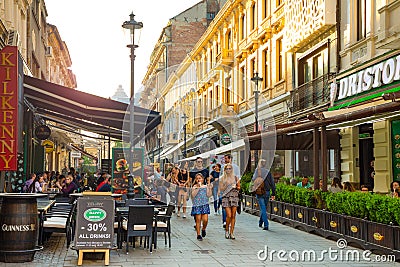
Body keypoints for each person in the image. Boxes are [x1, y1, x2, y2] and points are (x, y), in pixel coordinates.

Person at [252, 159, 276, 231]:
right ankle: (260, 222)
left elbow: (253, 180)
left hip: (259, 192)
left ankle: (266, 224)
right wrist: (273, 193)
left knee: (263, 208)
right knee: (264, 208)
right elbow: (272, 183)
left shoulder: (257, 171)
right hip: (267, 192)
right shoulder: (268, 172)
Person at [218, 163, 241, 240]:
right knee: (229, 215)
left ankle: (232, 232)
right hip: (226, 197)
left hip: (234, 196)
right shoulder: (222, 178)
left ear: (232, 169)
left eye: (229, 168)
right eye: (227, 169)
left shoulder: (235, 178)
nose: (228, 170)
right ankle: (227, 230)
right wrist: (227, 185)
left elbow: (239, 187)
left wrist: (236, 186)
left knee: (233, 215)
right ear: (224, 170)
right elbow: (221, 189)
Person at [191, 173, 212, 241]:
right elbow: (193, 195)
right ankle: (198, 234)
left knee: (205, 220)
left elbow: (209, 195)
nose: (198, 180)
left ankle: (203, 229)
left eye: (199, 178)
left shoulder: (205, 186)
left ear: (202, 179)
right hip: (197, 205)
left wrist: (209, 188)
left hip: (204, 204)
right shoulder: (194, 187)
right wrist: (198, 188)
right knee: (198, 220)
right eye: (197, 178)